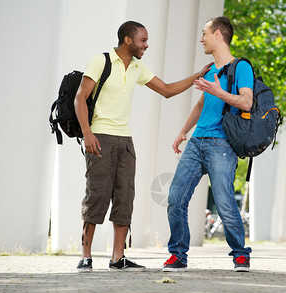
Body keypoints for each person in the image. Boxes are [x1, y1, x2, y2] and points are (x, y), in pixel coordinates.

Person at [74, 21, 212, 272]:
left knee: (125, 197)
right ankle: (86, 256)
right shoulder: (101, 61)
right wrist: (87, 133)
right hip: (100, 136)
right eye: (143, 40)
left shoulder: (138, 67)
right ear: (128, 39)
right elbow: (80, 98)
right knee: (96, 196)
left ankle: (118, 258)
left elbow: (167, 90)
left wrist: (196, 76)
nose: (146, 45)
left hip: (125, 140)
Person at [162, 16, 253, 272]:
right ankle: (178, 254)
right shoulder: (210, 70)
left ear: (218, 35)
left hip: (222, 144)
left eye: (204, 33)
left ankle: (240, 255)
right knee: (175, 198)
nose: (201, 38)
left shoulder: (241, 67)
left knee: (224, 203)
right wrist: (183, 132)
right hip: (197, 141)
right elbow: (202, 104)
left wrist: (219, 92)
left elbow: (246, 102)